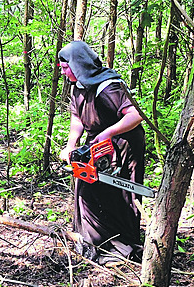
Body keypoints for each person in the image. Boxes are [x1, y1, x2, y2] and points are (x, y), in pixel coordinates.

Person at [58, 41, 145, 265]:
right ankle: (93, 242)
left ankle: (122, 245)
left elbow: (135, 115)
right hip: (96, 142)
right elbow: (77, 117)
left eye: (66, 66)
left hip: (123, 142)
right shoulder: (78, 86)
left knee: (118, 193)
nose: (63, 71)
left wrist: (109, 132)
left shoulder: (108, 86)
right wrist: (71, 144)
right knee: (86, 188)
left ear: (78, 64)